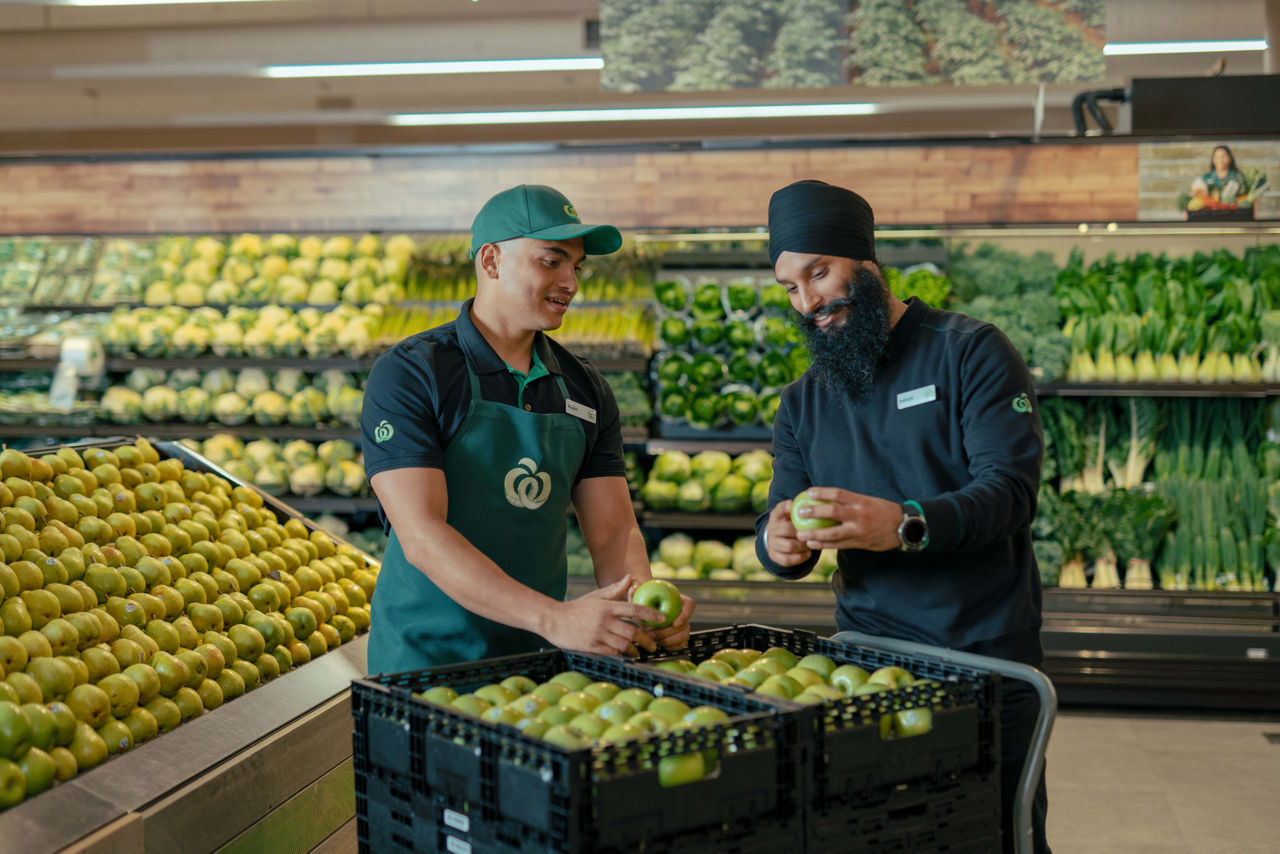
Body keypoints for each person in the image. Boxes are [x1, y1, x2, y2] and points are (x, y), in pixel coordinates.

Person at [754, 179, 1051, 854]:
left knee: (996, 834)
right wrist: (778, 543)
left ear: (865, 261)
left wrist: (905, 524)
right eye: (790, 288)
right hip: (866, 666)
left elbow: (1010, 492)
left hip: (984, 658)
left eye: (818, 274)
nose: (808, 303)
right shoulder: (803, 402)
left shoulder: (969, 351)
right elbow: (780, 519)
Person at [361, 184, 694, 673]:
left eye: (577, 267)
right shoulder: (414, 373)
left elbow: (613, 531)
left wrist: (642, 605)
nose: (571, 283)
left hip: (534, 665)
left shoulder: (586, 388)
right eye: (551, 261)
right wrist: (555, 619)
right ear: (492, 261)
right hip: (424, 663)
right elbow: (422, 536)